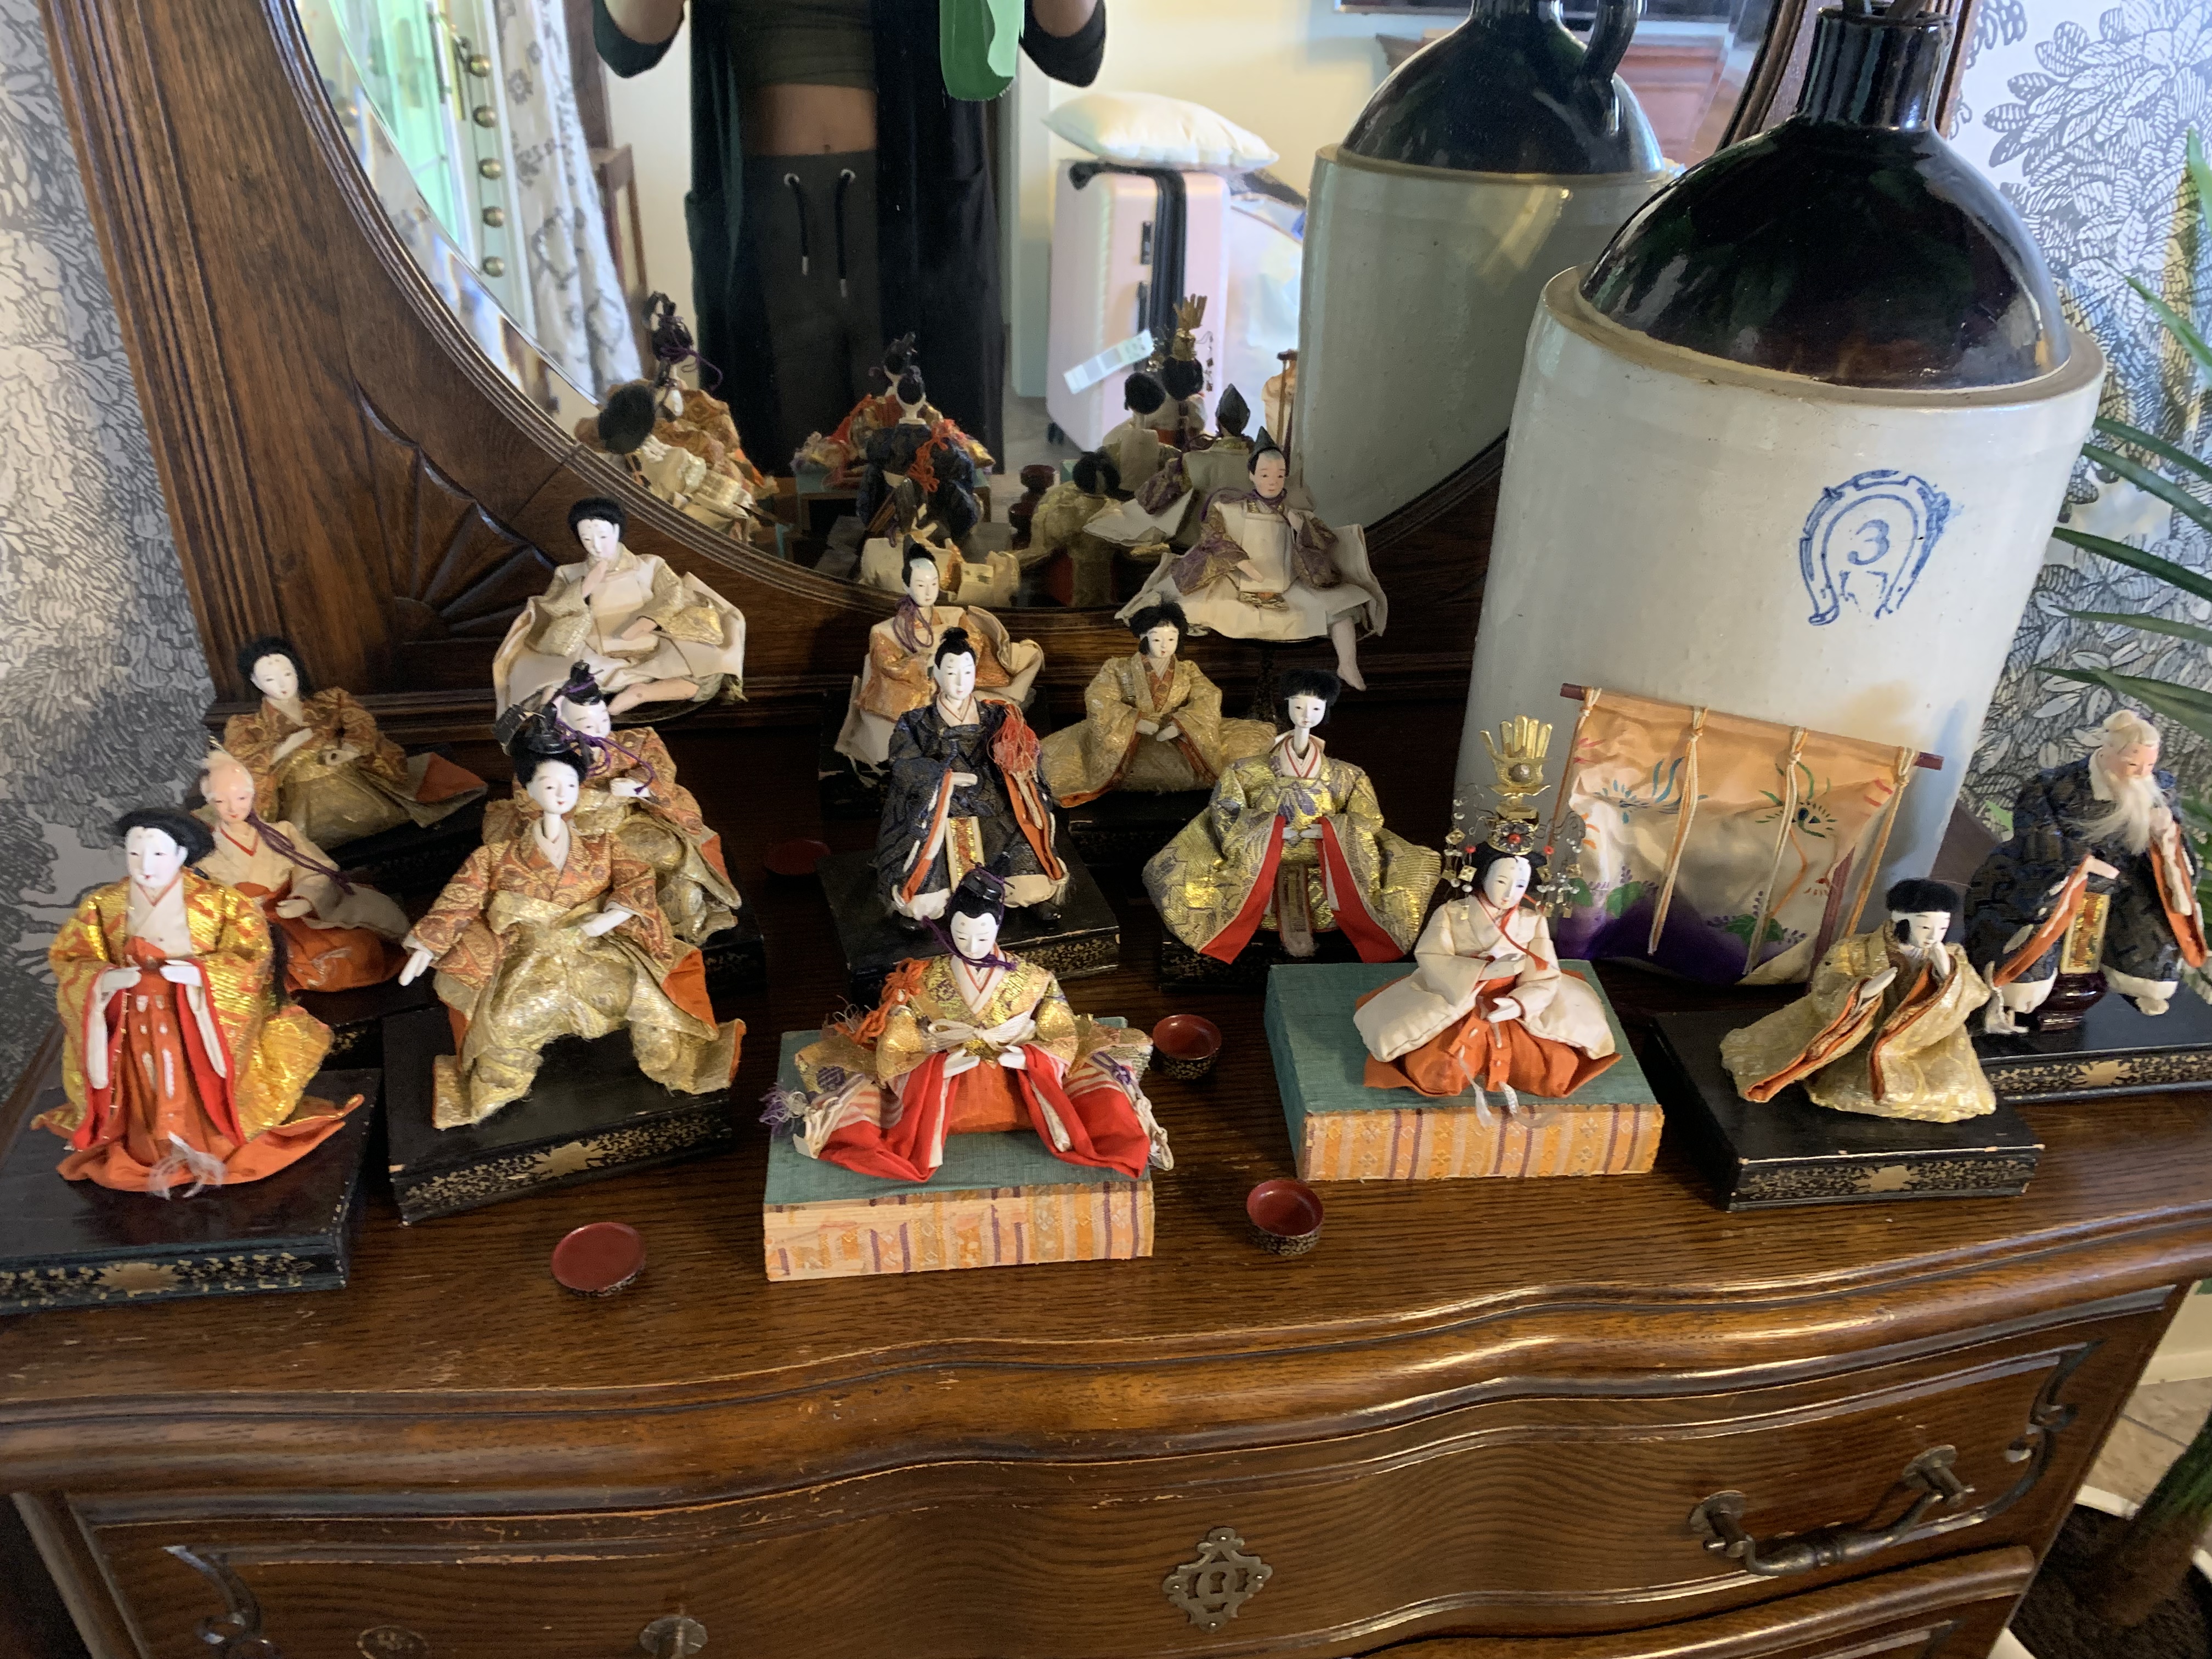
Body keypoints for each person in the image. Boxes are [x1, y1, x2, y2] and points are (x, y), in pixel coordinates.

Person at [594, 0, 1107, 467]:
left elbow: (1071, 49)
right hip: (761, 236)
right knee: (770, 502)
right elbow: (632, 42)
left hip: (927, 227)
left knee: (940, 493)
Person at [399, 715, 743, 1127]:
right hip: (528, 956)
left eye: (570, 786)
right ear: (527, 790)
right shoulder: (494, 857)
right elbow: (460, 901)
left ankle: (669, 1061)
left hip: (598, 946)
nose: (561, 795)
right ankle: (497, 1087)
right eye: (549, 786)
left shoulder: (604, 845)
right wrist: (427, 945)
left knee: (651, 1004)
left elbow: (636, 878)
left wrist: (614, 914)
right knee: (506, 1024)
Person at [774, 869, 1168, 1182]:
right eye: (961, 933)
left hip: (1020, 1073)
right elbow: (898, 1043)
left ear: (998, 928)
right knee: (867, 1099)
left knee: (1100, 1098)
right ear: (947, 928)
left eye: (982, 935)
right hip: (942, 1073)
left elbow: (1061, 1033)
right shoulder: (921, 979)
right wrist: (940, 1066)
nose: (972, 944)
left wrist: (1028, 1059)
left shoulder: (1035, 978)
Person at [43, 807, 357, 1194]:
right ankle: (150, 1148)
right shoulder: (102, 905)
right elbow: (69, 958)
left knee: (195, 1080)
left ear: (182, 854)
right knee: (146, 1086)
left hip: (194, 1015)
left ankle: (212, 1145)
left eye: (158, 853)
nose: (145, 864)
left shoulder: (224, 903)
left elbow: (253, 955)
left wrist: (202, 975)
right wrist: (104, 979)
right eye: (135, 853)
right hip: (130, 1017)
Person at [1144, 668, 1438, 962]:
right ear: (1287, 706)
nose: (1306, 716)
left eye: (1315, 709)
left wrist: (1329, 831)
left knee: (1407, 869)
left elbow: (1369, 819)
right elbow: (1225, 812)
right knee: (1183, 878)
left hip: (1327, 866)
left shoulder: (1348, 774)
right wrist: (1269, 831)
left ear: (1326, 710)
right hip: (1258, 865)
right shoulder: (1245, 770)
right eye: (1298, 707)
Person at [1965, 708, 2207, 1029]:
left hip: (2126, 876)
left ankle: (2139, 983)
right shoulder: (2054, 785)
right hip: (2059, 870)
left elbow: (2173, 845)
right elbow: (2035, 832)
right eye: (2132, 764)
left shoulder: (2159, 788)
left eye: (2149, 766)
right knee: (2032, 916)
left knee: (2154, 915)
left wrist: (2165, 835)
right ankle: (2017, 993)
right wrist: (2082, 862)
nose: (2141, 774)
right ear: (2108, 750)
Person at [483, 665, 744, 947]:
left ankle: (673, 918)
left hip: (626, 820)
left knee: (669, 854)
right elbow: (531, 796)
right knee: (584, 877)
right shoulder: (547, 758)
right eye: (587, 724)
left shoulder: (635, 742)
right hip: (577, 832)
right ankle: (611, 924)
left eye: (603, 719)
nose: (599, 730)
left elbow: (659, 768)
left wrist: (639, 787)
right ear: (563, 722)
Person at [1355, 836, 1618, 1109]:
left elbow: (1544, 972)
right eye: (1502, 881)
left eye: (1520, 885)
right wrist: (1483, 970)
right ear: (1482, 877)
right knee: (1438, 1073)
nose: (1509, 893)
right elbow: (1432, 956)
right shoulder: (1451, 913)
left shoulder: (1531, 921)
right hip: (1459, 994)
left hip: (1513, 997)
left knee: (1553, 1073)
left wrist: (1520, 1003)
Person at [1116, 432, 1385, 690]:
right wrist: (1240, 561)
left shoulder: (1296, 515)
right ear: (1252, 475)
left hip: (1289, 585)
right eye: (1265, 475)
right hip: (1235, 582)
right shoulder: (1230, 508)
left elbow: (1324, 541)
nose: (1273, 482)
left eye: (1280, 475)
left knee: (1342, 610)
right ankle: (1159, 667)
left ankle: (1347, 663)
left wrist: (1302, 528)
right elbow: (1213, 536)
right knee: (1180, 609)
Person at [1722, 878, 1996, 1122]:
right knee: (1844, 1090)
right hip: (1863, 1034)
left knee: (1952, 1092)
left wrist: (1947, 975)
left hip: (1920, 1040)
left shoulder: (1952, 955)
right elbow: (1827, 985)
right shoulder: (1853, 949)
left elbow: (1976, 993)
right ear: (1900, 920)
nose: (1934, 936)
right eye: (1925, 926)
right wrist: (1862, 991)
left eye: (1942, 928)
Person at [492, 496, 748, 719]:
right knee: (549, 678)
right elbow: (554, 608)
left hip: (650, 641)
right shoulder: (569, 573)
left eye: (603, 536)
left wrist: (649, 619)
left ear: (618, 531)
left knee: (707, 670)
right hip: (594, 646)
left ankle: (643, 692)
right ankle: (553, 716)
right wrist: (583, 589)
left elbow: (673, 593)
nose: (596, 545)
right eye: (587, 539)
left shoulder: (649, 564)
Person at [876, 628, 1065, 926]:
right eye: (952, 672)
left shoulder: (999, 716)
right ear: (936, 674)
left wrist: (1018, 762)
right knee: (925, 896)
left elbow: (1026, 755)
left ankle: (1031, 898)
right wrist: (943, 778)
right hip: (940, 807)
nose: (960, 681)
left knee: (1027, 875)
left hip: (993, 801)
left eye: (967, 672)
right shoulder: (915, 722)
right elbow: (904, 764)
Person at [222, 637, 485, 848]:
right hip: (296, 795)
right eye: (269, 679)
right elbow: (244, 763)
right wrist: (287, 747)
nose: (282, 684)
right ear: (255, 681)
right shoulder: (246, 725)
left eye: (287, 674)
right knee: (303, 836)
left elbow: (362, 724)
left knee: (378, 814)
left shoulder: (332, 700)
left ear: (297, 670)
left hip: (350, 778)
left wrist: (348, 751)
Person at [195, 750, 409, 994]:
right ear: (210, 802)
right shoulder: (206, 852)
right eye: (221, 801)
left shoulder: (281, 833)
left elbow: (315, 868)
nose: (233, 808)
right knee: (283, 966)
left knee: (358, 949)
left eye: (241, 798)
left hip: (297, 913)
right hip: (249, 928)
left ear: (253, 795)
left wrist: (305, 899)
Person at [1040, 600, 1273, 805]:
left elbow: (1208, 697)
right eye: (1157, 638)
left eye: (1172, 638)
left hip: (1179, 736)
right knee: (1064, 763)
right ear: (1143, 637)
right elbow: (1099, 697)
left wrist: (1181, 724)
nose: (1165, 646)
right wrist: (1135, 722)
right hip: (1130, 739)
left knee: (1244, 752)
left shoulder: (1188, 670)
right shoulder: (1117, 668)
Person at [836, 541, 1042, 770]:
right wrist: (925, 662)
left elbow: (975, 643)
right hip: (917, 692)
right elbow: (889, 667)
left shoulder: (954, 616)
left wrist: (953, 656)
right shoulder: (885, 631)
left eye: (934, 584)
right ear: (906, 585)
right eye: (920, 584)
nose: (928, 592)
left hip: (956, 684)